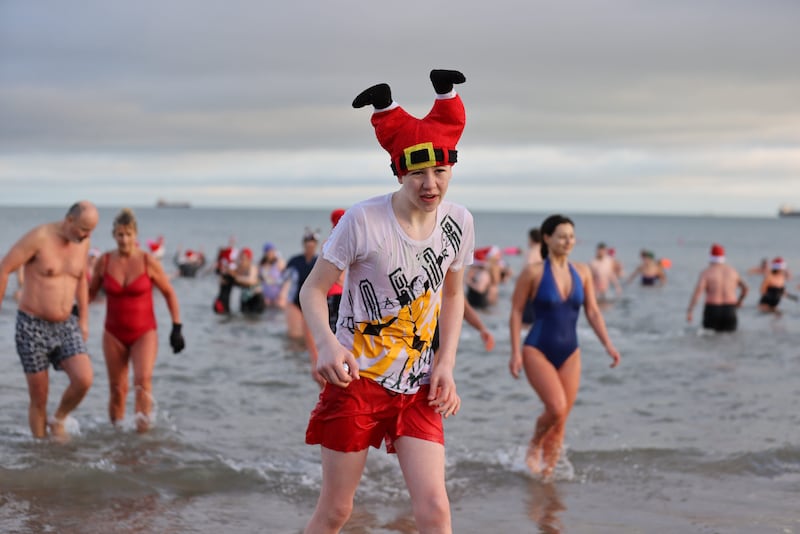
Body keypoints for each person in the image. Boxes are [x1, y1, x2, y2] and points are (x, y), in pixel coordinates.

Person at [300, 69, 474, 534]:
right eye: (418, 172)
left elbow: (454, 293)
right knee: (337, 510)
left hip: (418, 387)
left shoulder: (459, 222)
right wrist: (326, 344)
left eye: (440, 171)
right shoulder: (361, 221)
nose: (430, 184)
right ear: (400, 171)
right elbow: (312, 290)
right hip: (356, 379)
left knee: (436, 510)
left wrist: (446, 362)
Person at [509, 214, 620, 480]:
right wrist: (514, 352)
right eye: (562, 236)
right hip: (537, 349)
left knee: (561, 421)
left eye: (571, 236)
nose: (568, 241)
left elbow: (592, 312)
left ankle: (546, 479)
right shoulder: (533, 272)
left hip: (571, 352)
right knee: (556, 408)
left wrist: (608, 345)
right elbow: (515, 312)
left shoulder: (582, 271)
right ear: (547, 238)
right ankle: (535, 443)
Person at [0, 201, 98, 440]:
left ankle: (59, 419)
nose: (87, 235)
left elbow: (81, 280)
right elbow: (4, 269)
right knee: (39, 397)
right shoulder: (39, 238)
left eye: (91, 231)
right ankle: (41, 452)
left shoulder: (82, 242)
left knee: (84, 379)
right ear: (70, 220)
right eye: (84, 229)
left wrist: (83, 319)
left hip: (66, 325)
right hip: (32, 326)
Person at [88, 208, 185, 432]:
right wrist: (75, 312)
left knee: (143, 382)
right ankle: (117, 436)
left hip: (144, 333)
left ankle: (142, 438)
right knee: (117, 388)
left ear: (136, 236)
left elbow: (169, 293)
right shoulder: (104, 261)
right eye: (120, 234)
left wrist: (176, 327)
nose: (124, 239)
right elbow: (90, 293)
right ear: (114, 235)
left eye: (128, 234)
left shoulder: (147, 261)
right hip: (113, 333)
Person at [686, 243, 748, 332]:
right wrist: (739, 301)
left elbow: (698, 292)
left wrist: (690, 311)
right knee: (730, 340)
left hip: (713, 309)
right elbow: (745, 289)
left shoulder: (707, 272)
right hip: (730, 310)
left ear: (710, 257)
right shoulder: (733, 272)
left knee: (709, 340)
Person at [282, 229, 319, 339]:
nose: (310, 249)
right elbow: (282, 279)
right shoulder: (295, 261)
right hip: (295, 302)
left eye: (312, 246)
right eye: (307, 246)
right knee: (295, 336)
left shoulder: (319, 261)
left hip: (313, 303)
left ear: (316, 246)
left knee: (311, 337)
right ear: (303, 245)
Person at [229, 247, 265, 315]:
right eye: (240, 258)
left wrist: (236, 278)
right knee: (244, 317)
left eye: (243, 258)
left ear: (249, 259)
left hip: (256, 297)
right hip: (245, 297)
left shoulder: (252, 267)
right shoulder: (239, 268)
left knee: (255, 318)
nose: (241, 260)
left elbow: (251, 280)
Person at [258, 242, 287, 309]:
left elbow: (287, 279)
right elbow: (259, 280)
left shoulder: (280, 263)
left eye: (272, 251)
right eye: (268, 251)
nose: (270, 253)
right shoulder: (261, 265)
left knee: (279, 315)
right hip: (267, 297)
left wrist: (283, 293)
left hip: (278, 295)